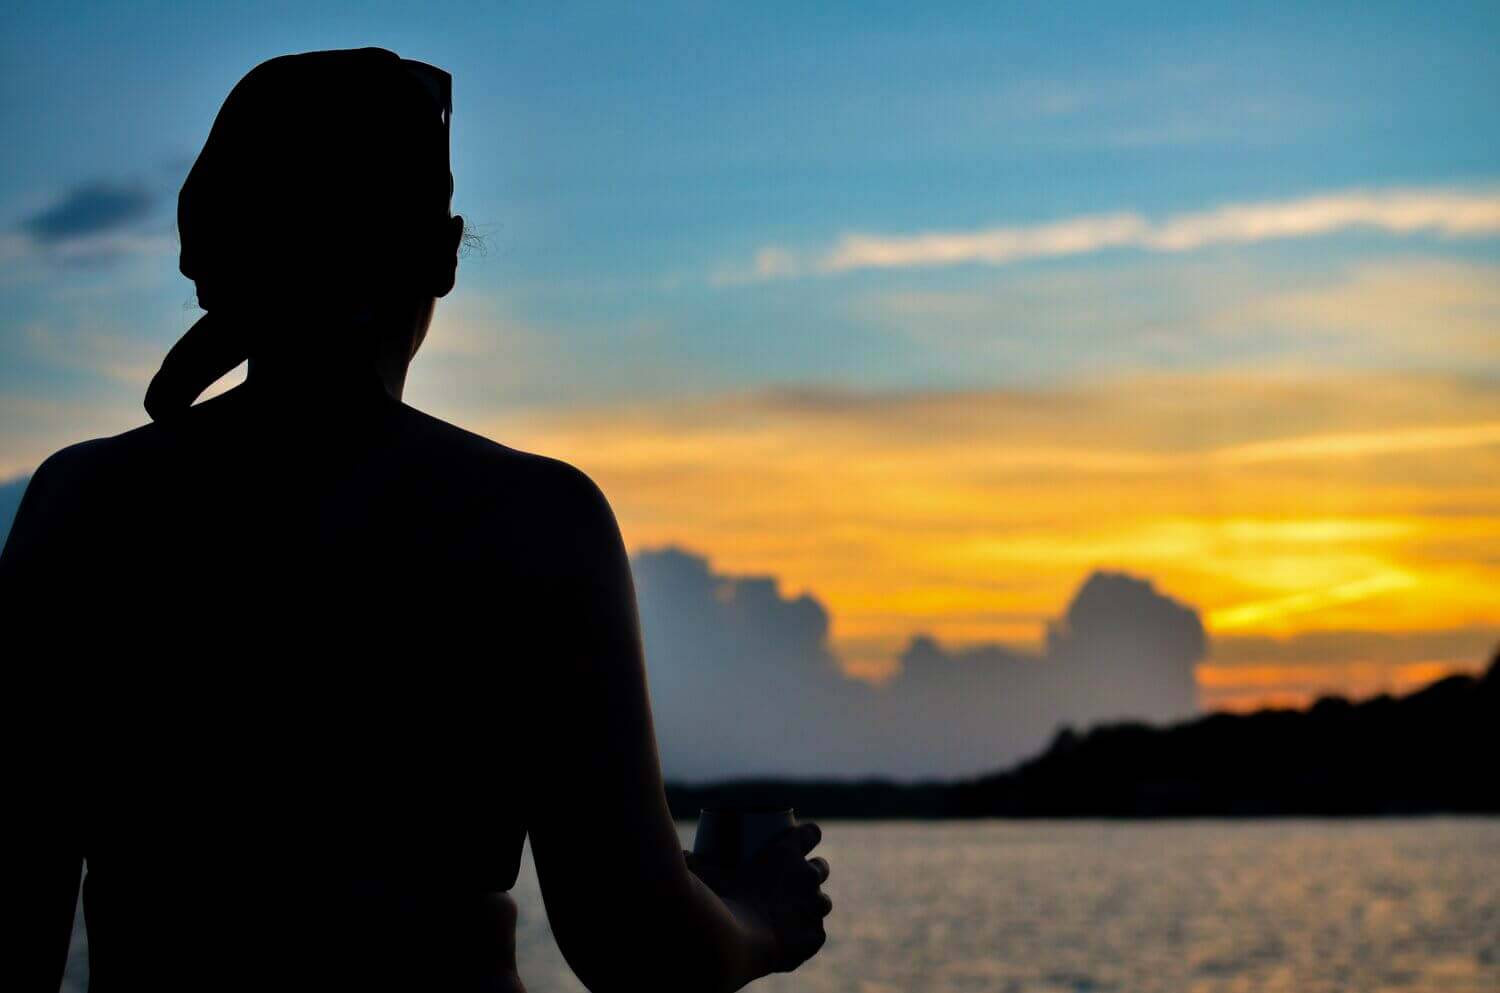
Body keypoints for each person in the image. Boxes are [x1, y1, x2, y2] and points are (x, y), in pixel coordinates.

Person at [3, 47, 831, 993]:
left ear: (208, 256)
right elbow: (635, 941)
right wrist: (759, 915)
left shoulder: (84, 508)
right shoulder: (529, 522)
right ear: (441, 255)